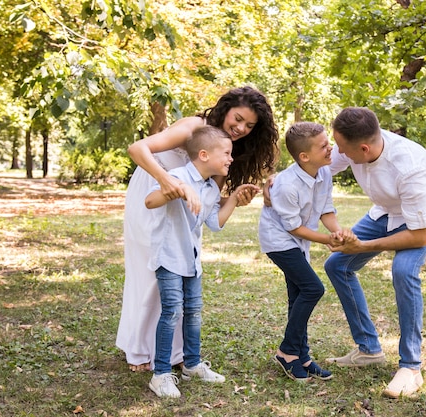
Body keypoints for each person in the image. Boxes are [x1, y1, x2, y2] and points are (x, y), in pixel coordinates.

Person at [117, 86, 279, 372]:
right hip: (152, 193)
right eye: (238, 118)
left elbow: (209, 204)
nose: (241, 128)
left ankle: (174, 352)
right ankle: (140, 352)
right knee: (150, 273)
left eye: (249, 126)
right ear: (226, 109)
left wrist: (235, 199)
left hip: (184, 210)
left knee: (179, 273)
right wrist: (167, 181)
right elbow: (137, 148)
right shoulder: (194, 127)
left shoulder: (225, 151)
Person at [323, 107, 426, 398]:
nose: (336, 152)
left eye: (341, 148)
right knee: (337, 265)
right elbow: (319, 167)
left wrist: (364, 246)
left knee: (404, 270)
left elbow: (420, 236)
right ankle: (369, 349)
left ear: (363, 148)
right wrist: (277, 182)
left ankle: (411, 368)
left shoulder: (409, 167)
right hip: (386, 210)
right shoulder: (352, 146)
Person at [145, 126, 260, 398]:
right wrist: (179, 189)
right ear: (205, 155)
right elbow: (150, 201)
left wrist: (232, 199)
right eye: (227, 153)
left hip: (192, 259)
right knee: (172, 311)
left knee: (194, 312)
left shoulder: (209, 187)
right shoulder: (178, 176)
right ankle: (160, 374)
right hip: (169, 257)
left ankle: (192, 364)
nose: (231, 159)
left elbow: (215, 223)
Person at [258, 122, 354, 382]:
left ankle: (302, 356)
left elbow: (326, 210)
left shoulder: (323, 173)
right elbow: (294, 227)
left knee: (298, 295)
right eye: (323, 145)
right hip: (279, 241)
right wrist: (327, 240)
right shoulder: (286, 185)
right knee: (313, 288)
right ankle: (287, 351)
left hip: (297, 242)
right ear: (304, 156)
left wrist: (338, 232)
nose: (330, 147)